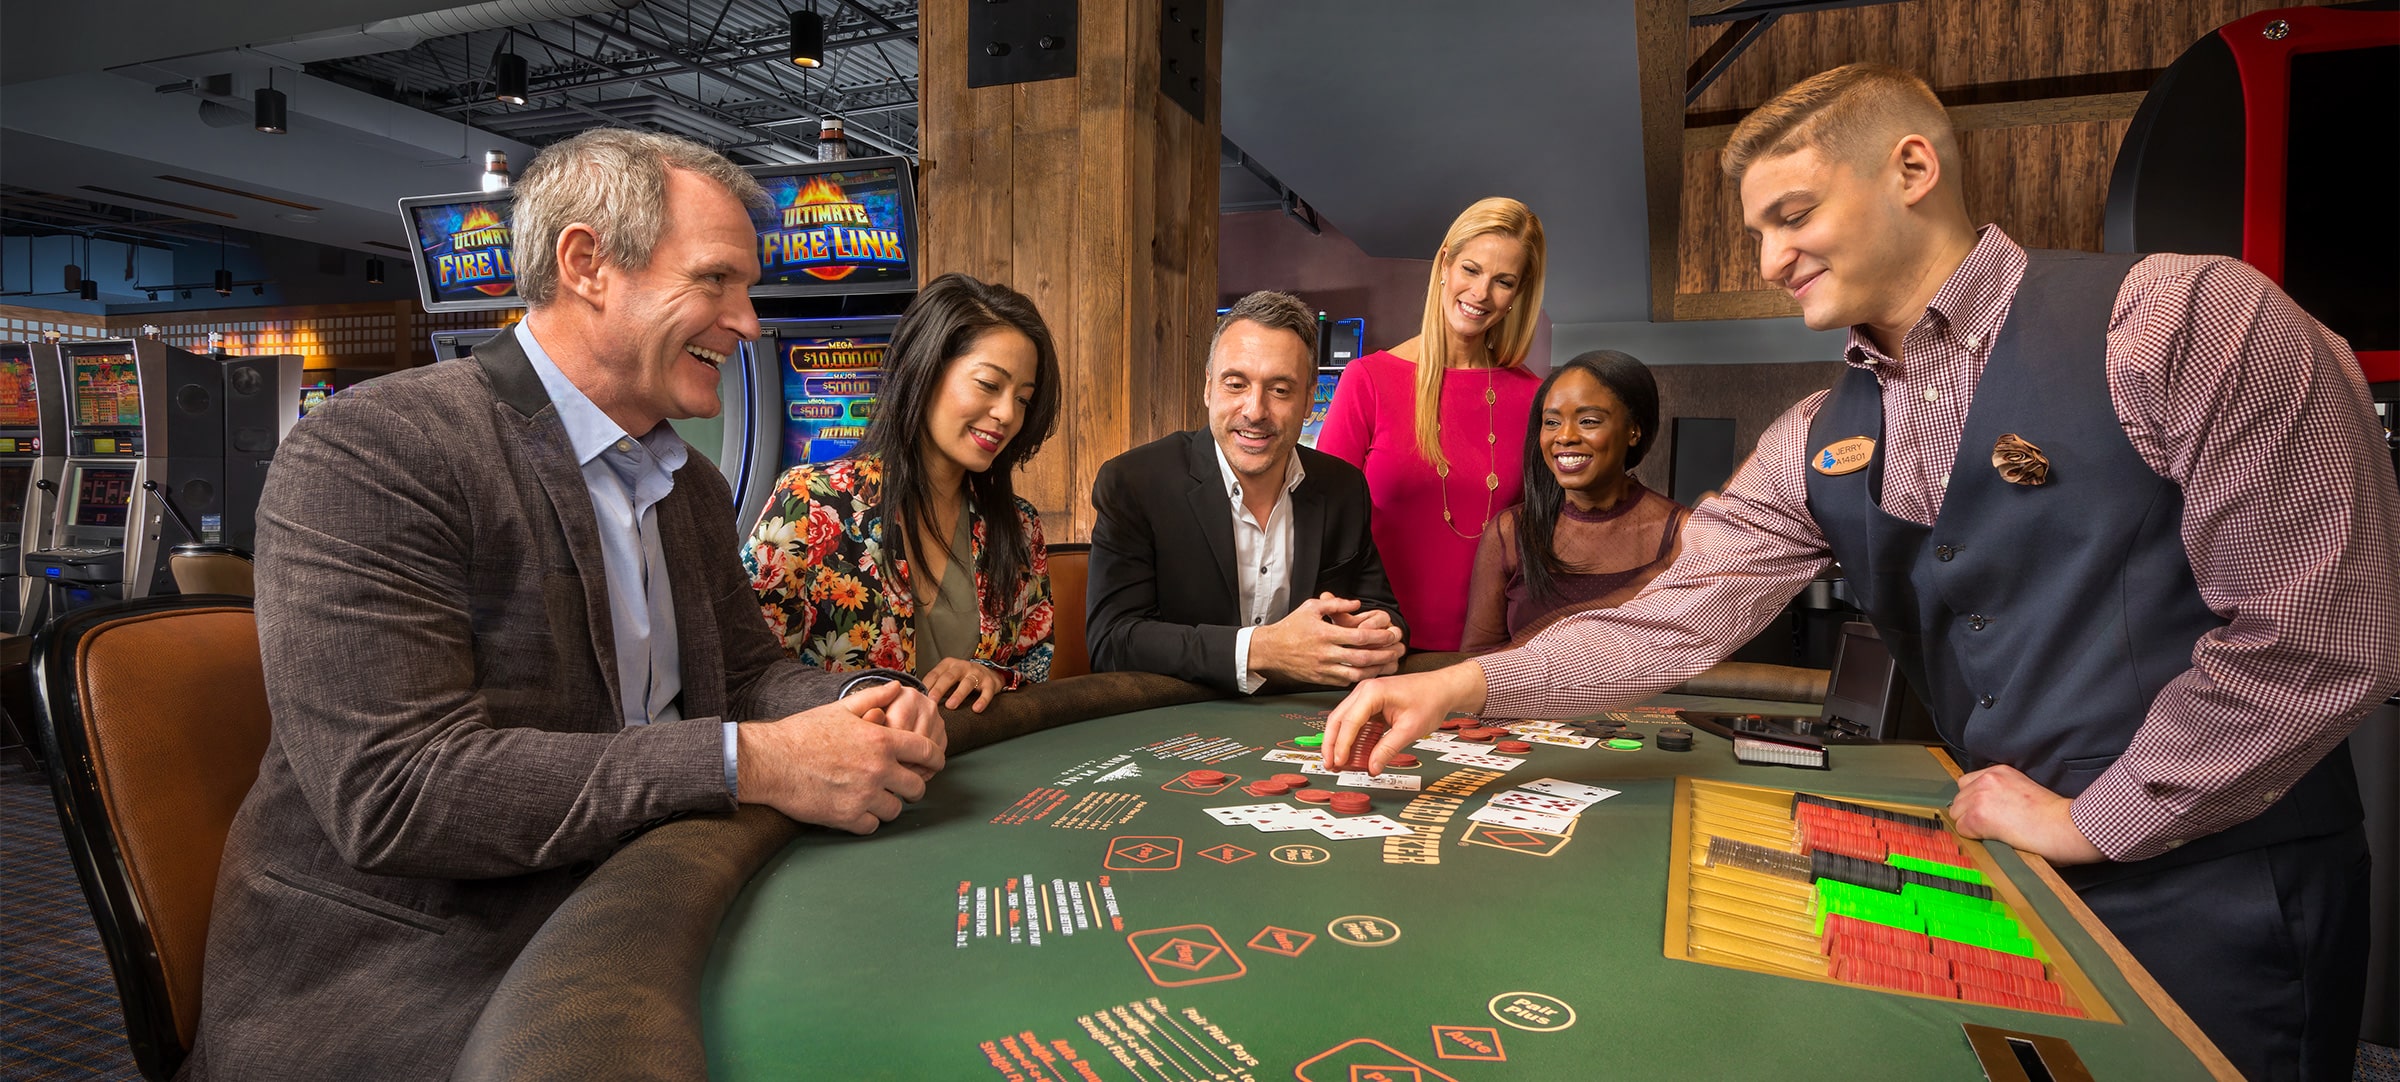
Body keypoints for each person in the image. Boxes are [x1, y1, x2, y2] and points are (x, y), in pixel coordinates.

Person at [1322, 65, 2397, 1082]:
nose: (1768, 257)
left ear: (1913, 170)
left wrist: (2085, 821)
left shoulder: (2186, 317)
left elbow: (2316, 634)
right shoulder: (1811, 435)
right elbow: (1667, 625)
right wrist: (1460, 684)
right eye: (1755, 232)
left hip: (2222, 885)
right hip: (2008, 868)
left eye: (1792, 214)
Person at [185, 129, 947, 1080]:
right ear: (587, 263)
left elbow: (750, 675)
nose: (749, 323)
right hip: (418, 968)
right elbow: (396, 794)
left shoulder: (692, 486)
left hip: (640, 897)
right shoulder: (377, 449)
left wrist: (856, 703)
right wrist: (748, 762)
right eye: (717, 282)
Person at [743, 273, 1063, 712]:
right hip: (844, 774)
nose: (1007, 413)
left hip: (987, 768)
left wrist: (991, 675)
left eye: (1023, 399)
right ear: (925, 370)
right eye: (989, 384)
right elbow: (744, 673)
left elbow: (1035, 663)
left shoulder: (1020, 526)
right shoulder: (809, 502)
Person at [1087, 290, 1407, 693]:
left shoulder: (1344, 487)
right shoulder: (1133, 482)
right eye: (1236, 384)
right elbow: (1112, 642)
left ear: (1310, 398)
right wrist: (1263, 649)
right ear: (1208, 389)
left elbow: (1382, 611)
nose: (1255, 411)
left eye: (1280, 390)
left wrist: (1376, 635)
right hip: (1175, 718)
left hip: (1303, 724)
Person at [1315, 197, 1548, 651]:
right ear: (1444, 263)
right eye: (1471, 269)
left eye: (1503, 281)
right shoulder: (1368, 380)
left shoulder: (1535, 397)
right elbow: (1321, 525)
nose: (1481, 293)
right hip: (1379, 646)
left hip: (1490, 656)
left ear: (1518, 294)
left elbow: (1546, 535)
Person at [1460, 350, 1688, 652]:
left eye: (1588, 421)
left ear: (1634, 430)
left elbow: (1708, 663)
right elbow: (1477, 658)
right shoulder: (1509, 531)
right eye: (1552, 422)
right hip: (1528, 699)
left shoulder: (1684, 534)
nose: (1564, 436)